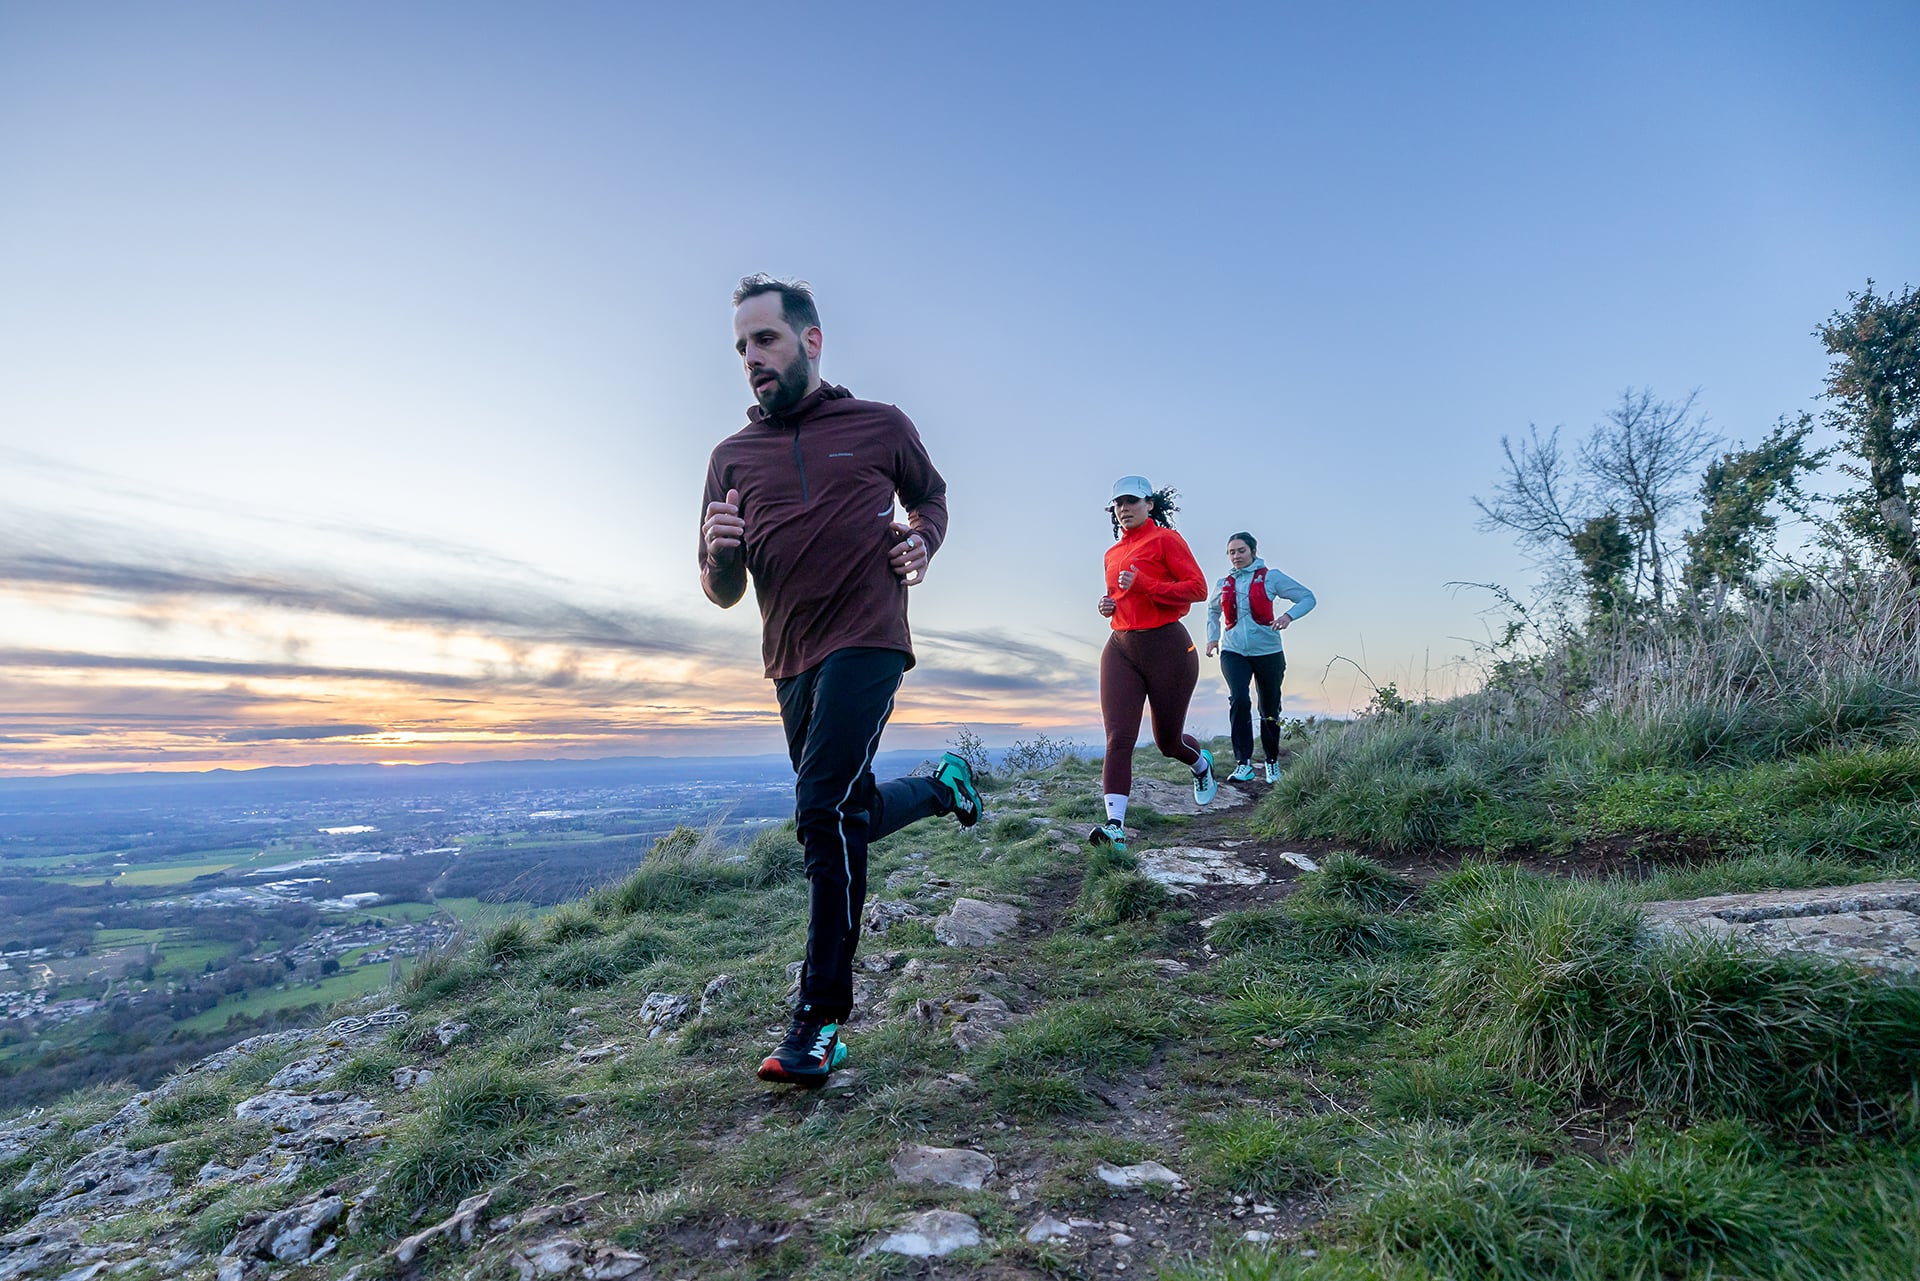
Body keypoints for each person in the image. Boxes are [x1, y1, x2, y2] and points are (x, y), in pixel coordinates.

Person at [698, 274, 980, 1089]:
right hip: (789, 657)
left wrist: (923, 538)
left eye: (765, 339)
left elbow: (932, 497)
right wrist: (718, 553)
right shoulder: (729, 459)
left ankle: (817, 1020)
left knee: (820, 810)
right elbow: (721, 590)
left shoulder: (879, 425)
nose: (752, 357)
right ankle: (942, 786)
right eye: (741, 347)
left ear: (811, 340)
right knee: (847, 810)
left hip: (869, 638)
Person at [1089, 476, 1215, 852]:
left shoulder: (1166, 540)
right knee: (1118, 738)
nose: (1123, 508)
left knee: (1168, 742)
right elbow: (1121, 595)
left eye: (1131, 501)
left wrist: (1146, 584)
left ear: (1150, 505)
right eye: (1118, 504)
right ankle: (1115, 828)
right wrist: (1108, 605)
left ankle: (1201, 765)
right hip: (1121, 648)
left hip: (1169, 650)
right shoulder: (1112, 553)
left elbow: (1198, 589)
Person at [1204, 532, 1315, 784]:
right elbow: (1212, 611)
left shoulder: (1271, 577)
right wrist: (1212, 638)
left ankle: (1271, 760)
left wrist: (1288, 616)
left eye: (1241, 550)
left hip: (1268, 652)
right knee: (1239, 699)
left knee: (1269, 705)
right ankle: (1243, 763)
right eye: (1231, 552)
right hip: (1233, 652)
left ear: (1253, 551)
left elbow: (1308, 598)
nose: (1236, 556)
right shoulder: (1223, 583)